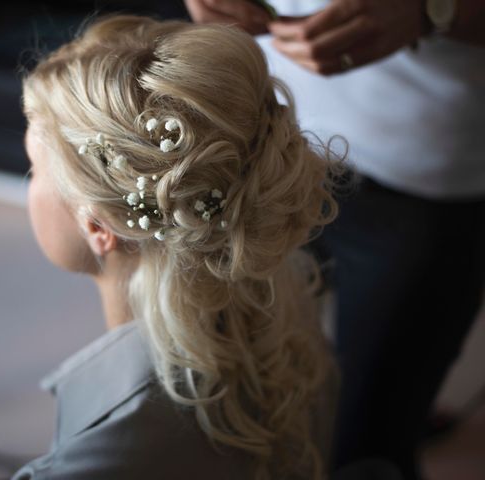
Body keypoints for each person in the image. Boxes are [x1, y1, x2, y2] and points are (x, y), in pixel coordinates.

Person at [12, 14, 347, 480]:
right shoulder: (291, 299)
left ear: (97, 228)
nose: (30, 183)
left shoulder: (92, 463)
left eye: (34, 167)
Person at [183, 0, 485, 478]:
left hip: (426, 169)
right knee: (232, 401)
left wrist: (433, 11)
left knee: (369, 441)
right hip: (270, 133)